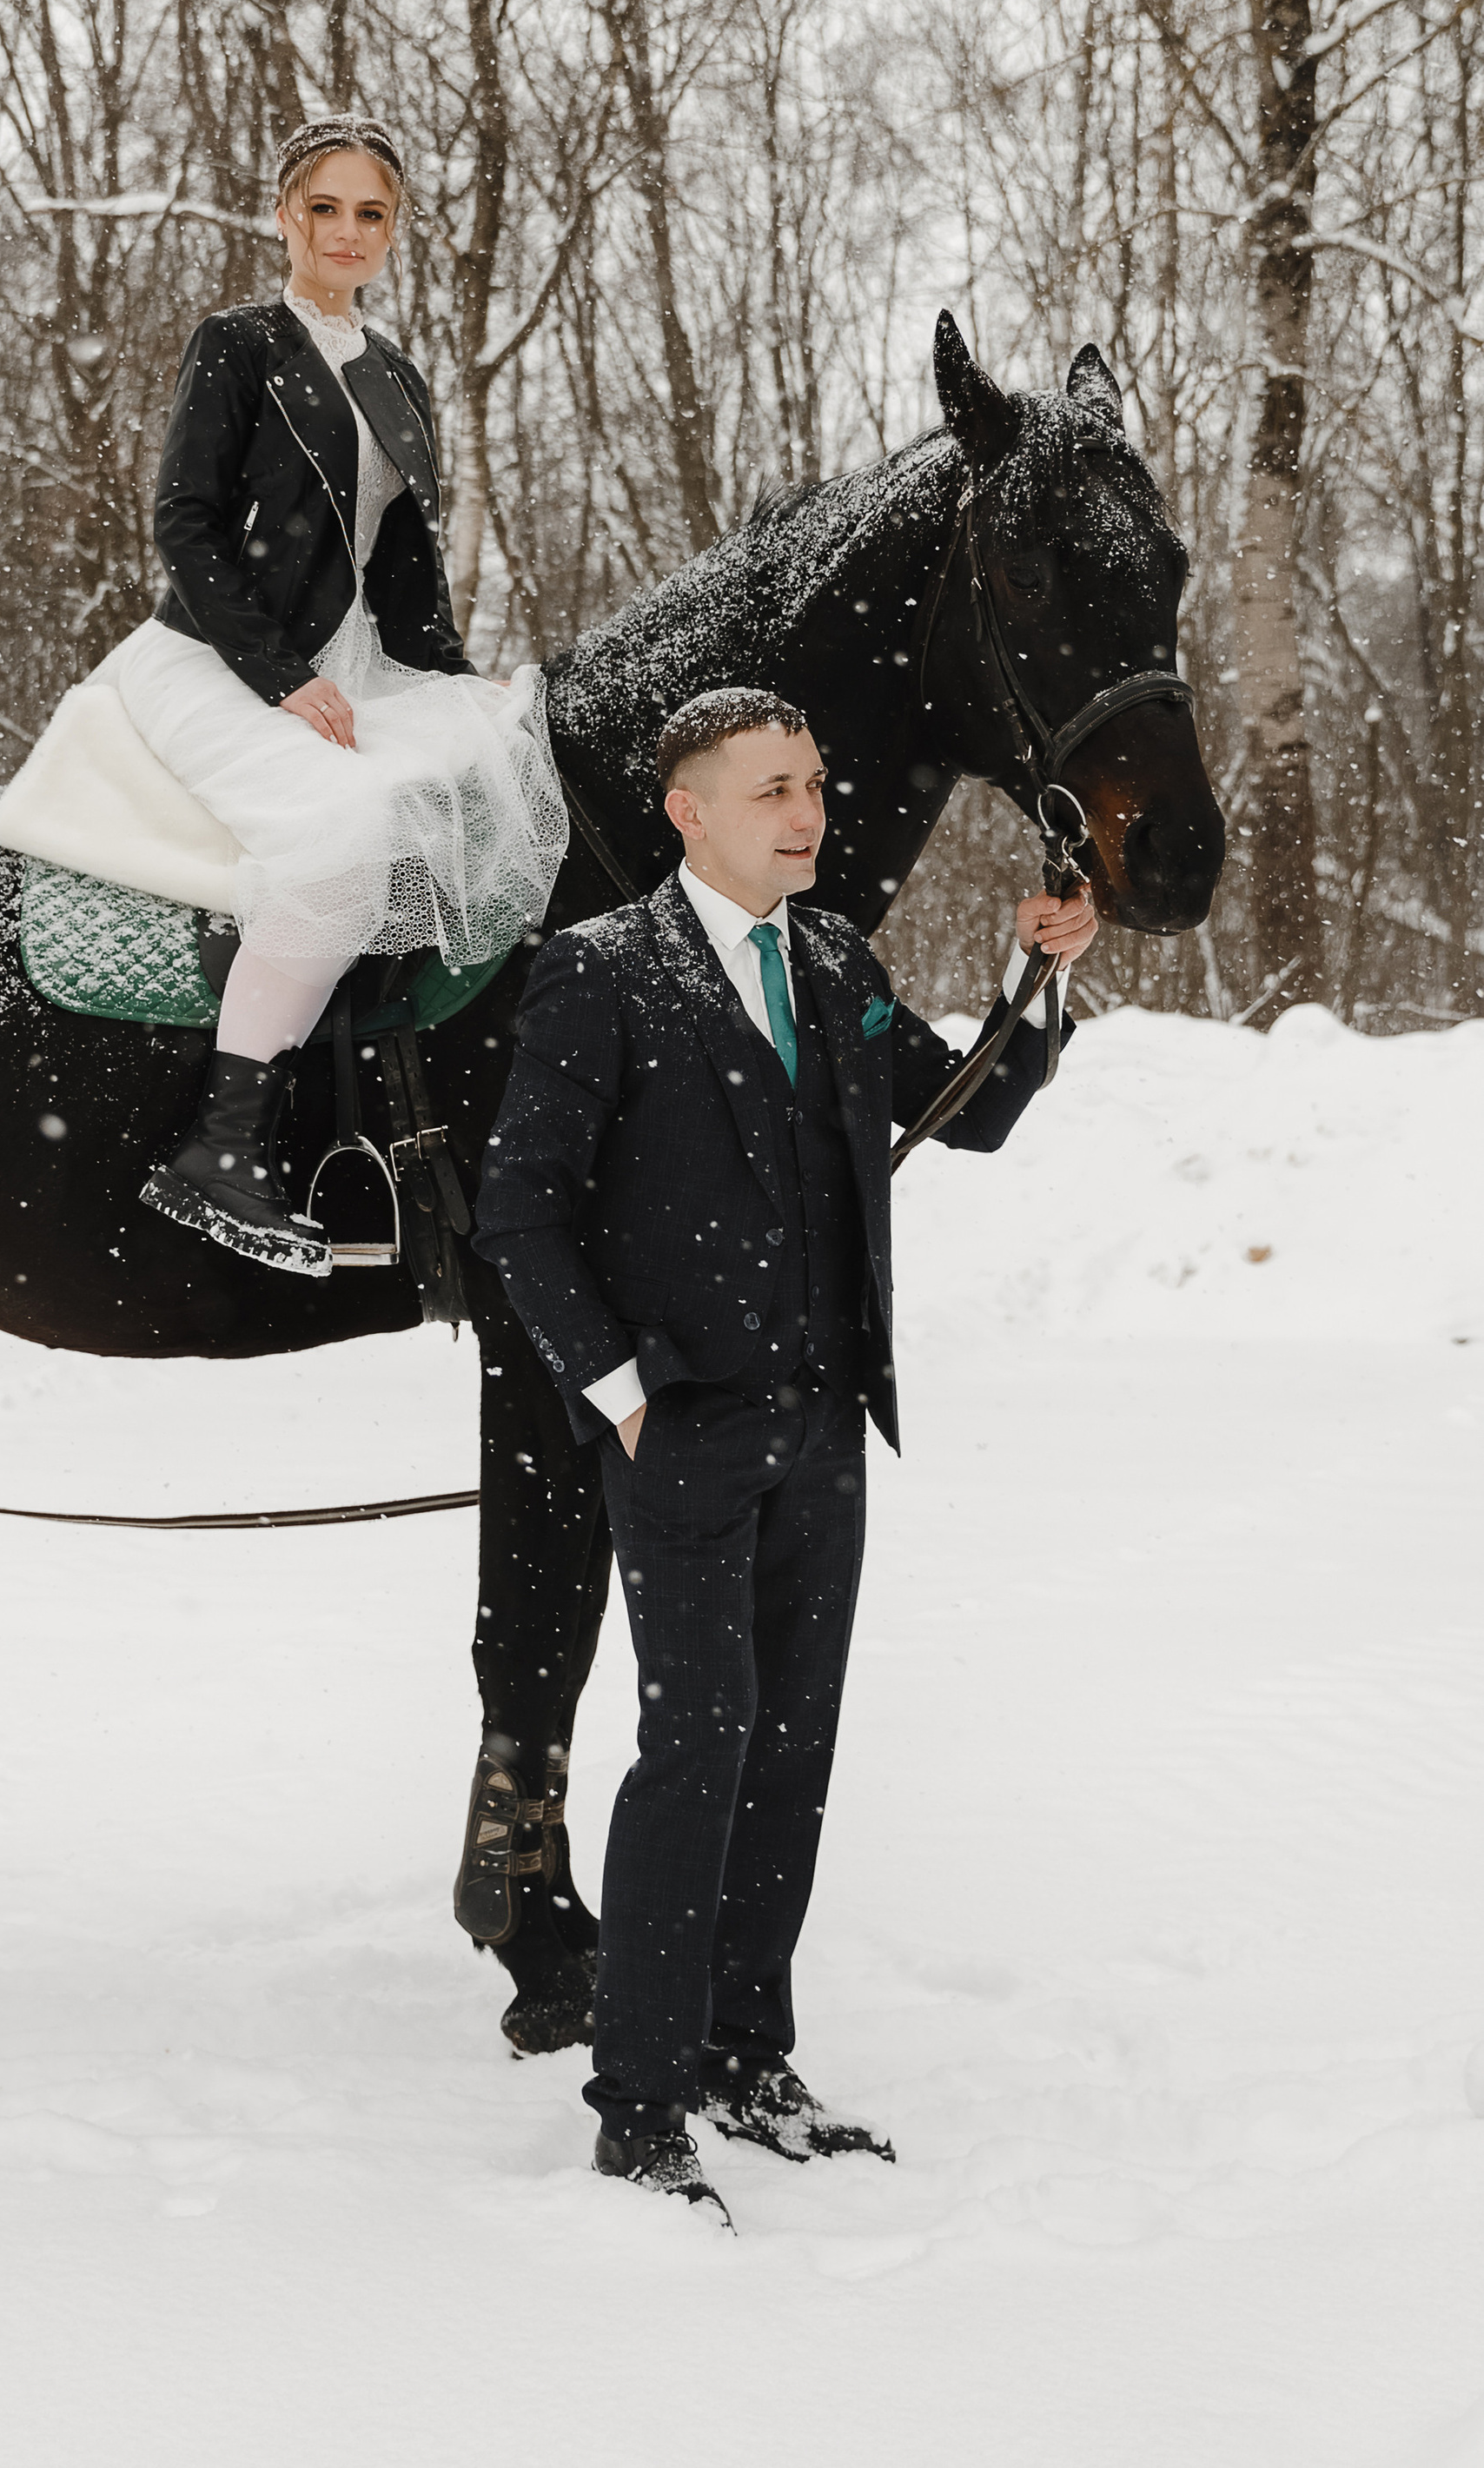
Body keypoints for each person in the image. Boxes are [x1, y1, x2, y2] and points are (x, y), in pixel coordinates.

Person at [473, 684, 1097, 2222]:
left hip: (827, 1430)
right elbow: (518, 1209)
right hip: (677, 1434)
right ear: (689, 811)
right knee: (698, 1750)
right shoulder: (598, 975)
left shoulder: (834, 963)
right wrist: (613, 1385)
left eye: (814, 782)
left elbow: (977, 1108)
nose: (808, 813)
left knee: (791, 1753)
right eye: (772, 790)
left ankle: (751, 2055)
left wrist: (1048, 976)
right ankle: (640, 2102)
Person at [109, 116, 567, 1275]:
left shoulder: (398, 378)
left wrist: (455, 684)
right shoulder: (239, 344)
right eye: (326, 209)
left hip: (367, 667)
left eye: (372, 213)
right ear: (284, 216)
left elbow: (407, 566)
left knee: (508, 782)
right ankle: (223, 1146)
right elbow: (186, 522)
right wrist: (281, 675)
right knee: (347, 842)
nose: (349, 233)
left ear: (395, 229)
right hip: (226, 660)